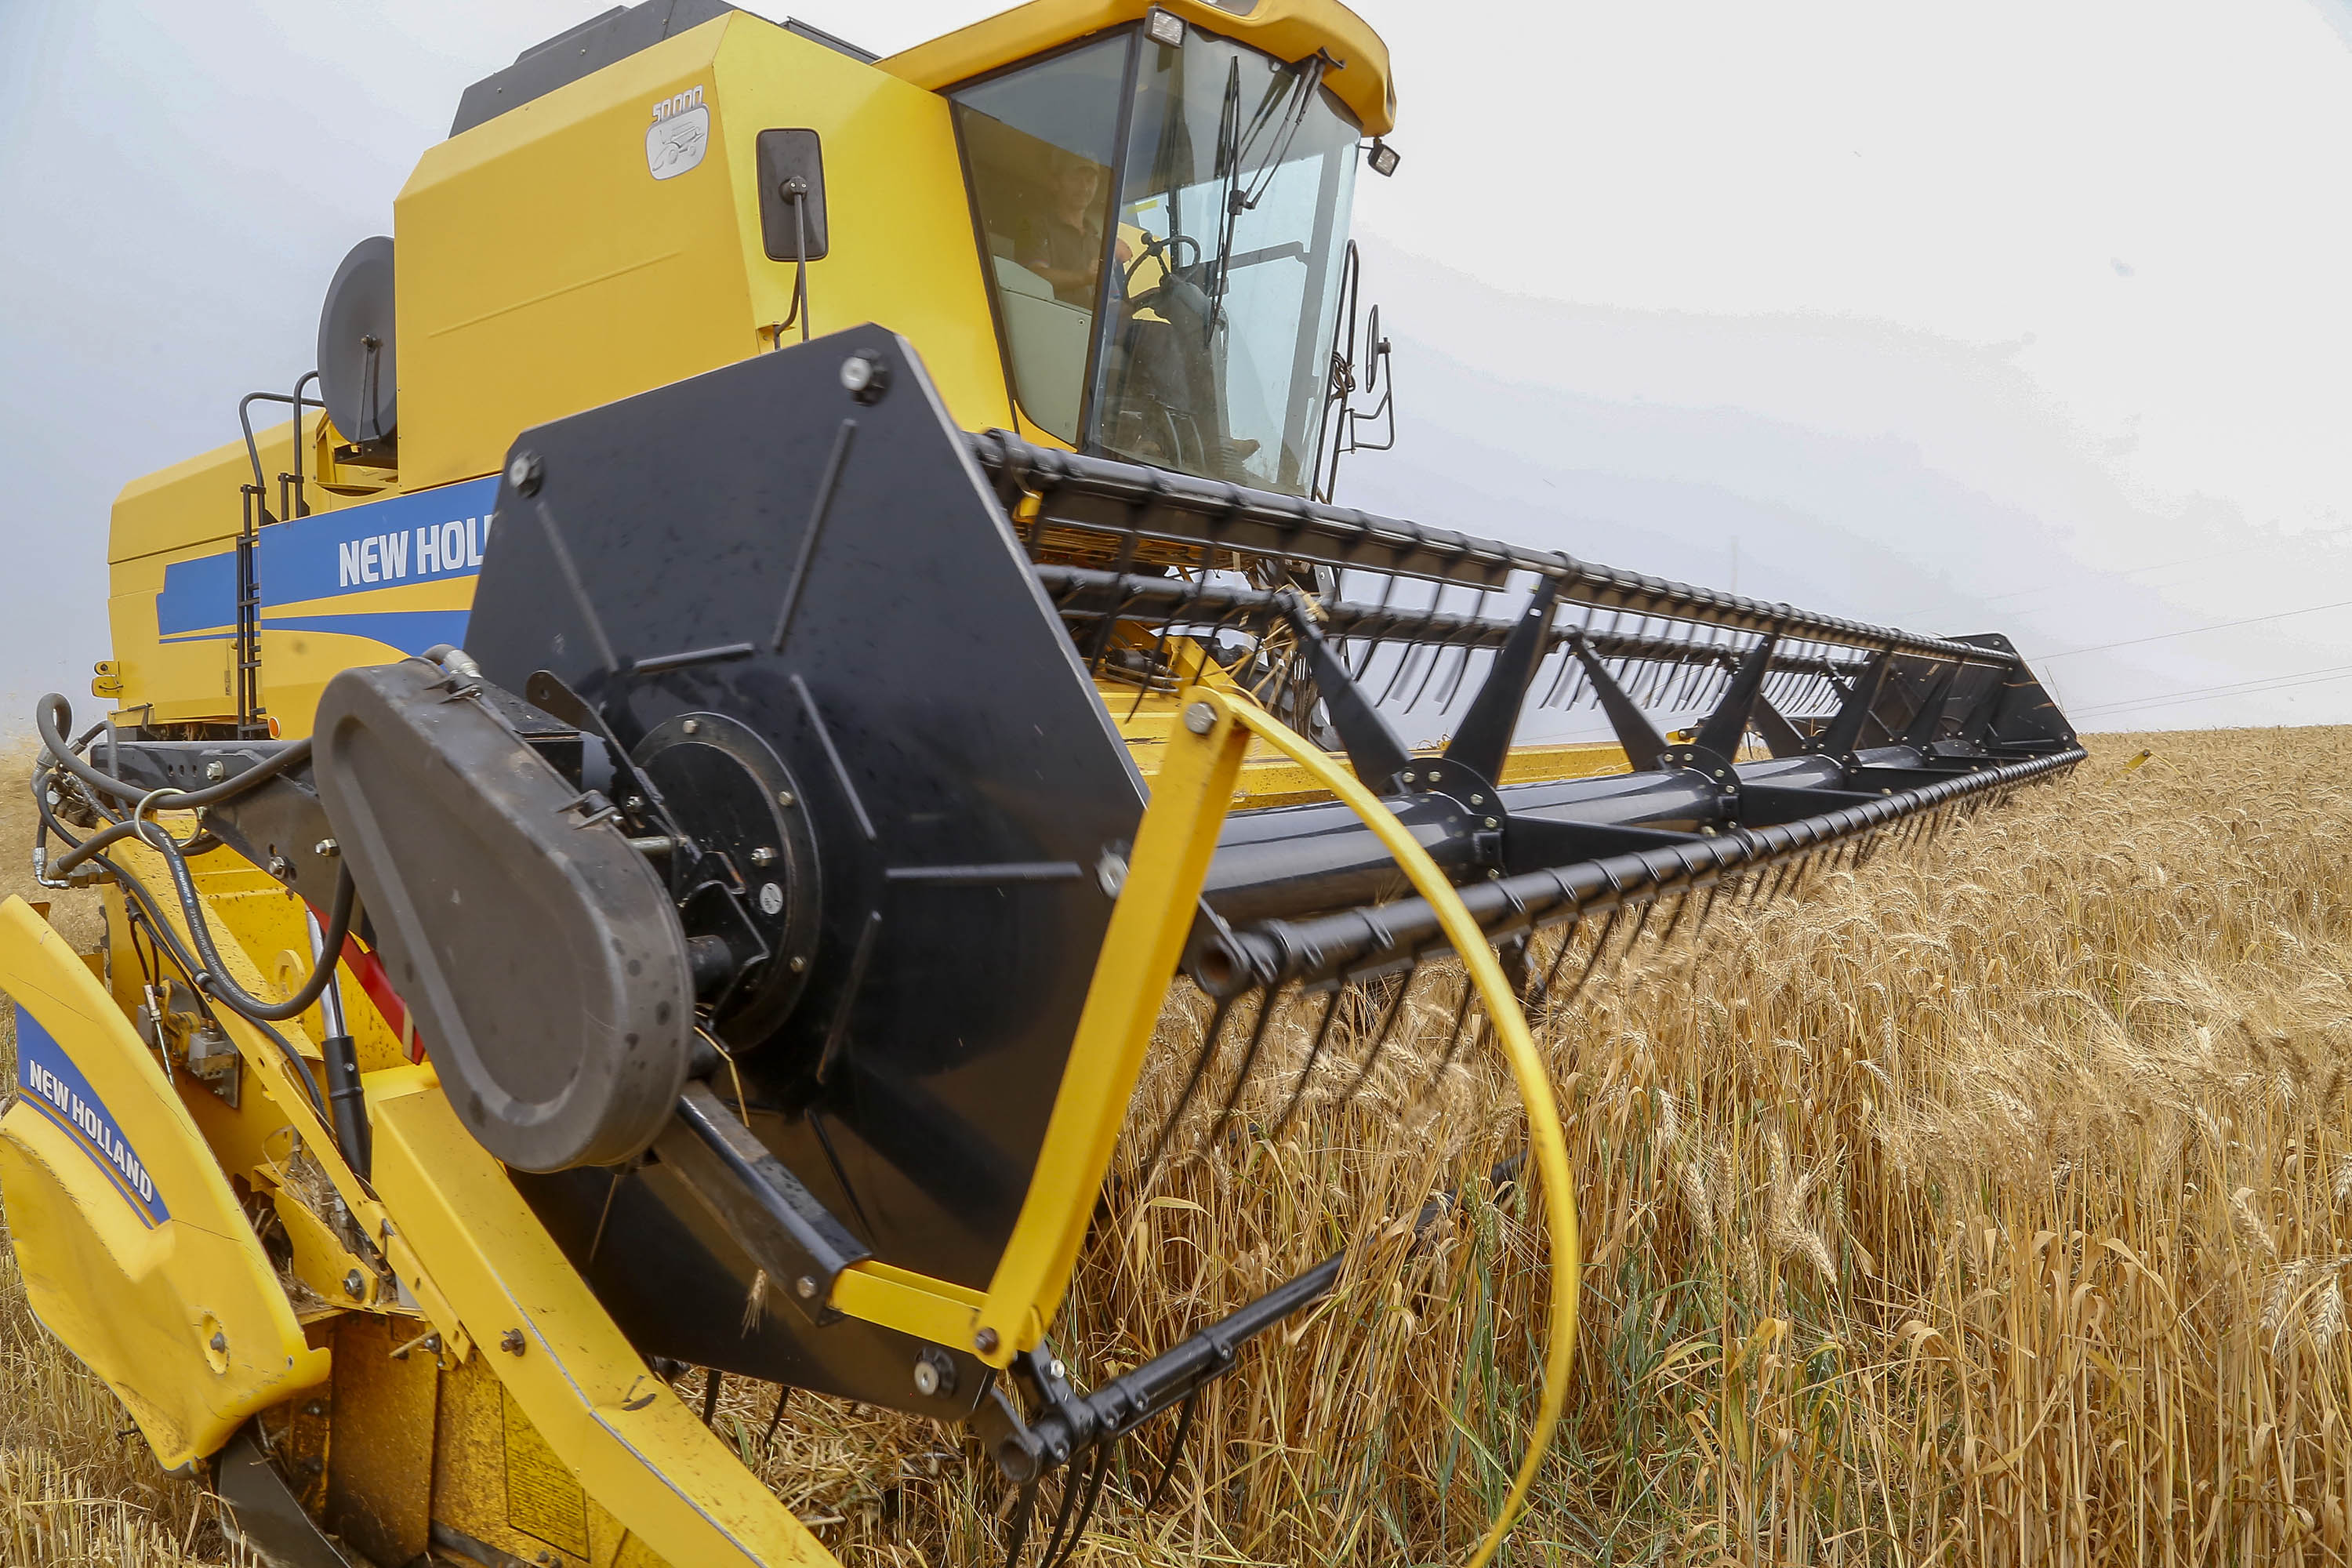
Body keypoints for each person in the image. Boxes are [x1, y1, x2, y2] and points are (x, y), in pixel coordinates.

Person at [1022, 159, 1131, 307]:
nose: (1084, 188)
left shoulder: (1099, 243)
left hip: (1091, 328)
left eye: (1090, 180)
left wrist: (1135, 304)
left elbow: (1110, 303)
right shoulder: (1037, 226)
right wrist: (1084, 278)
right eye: (1076, 178)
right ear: (1056, 182)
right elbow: (1033, 277)